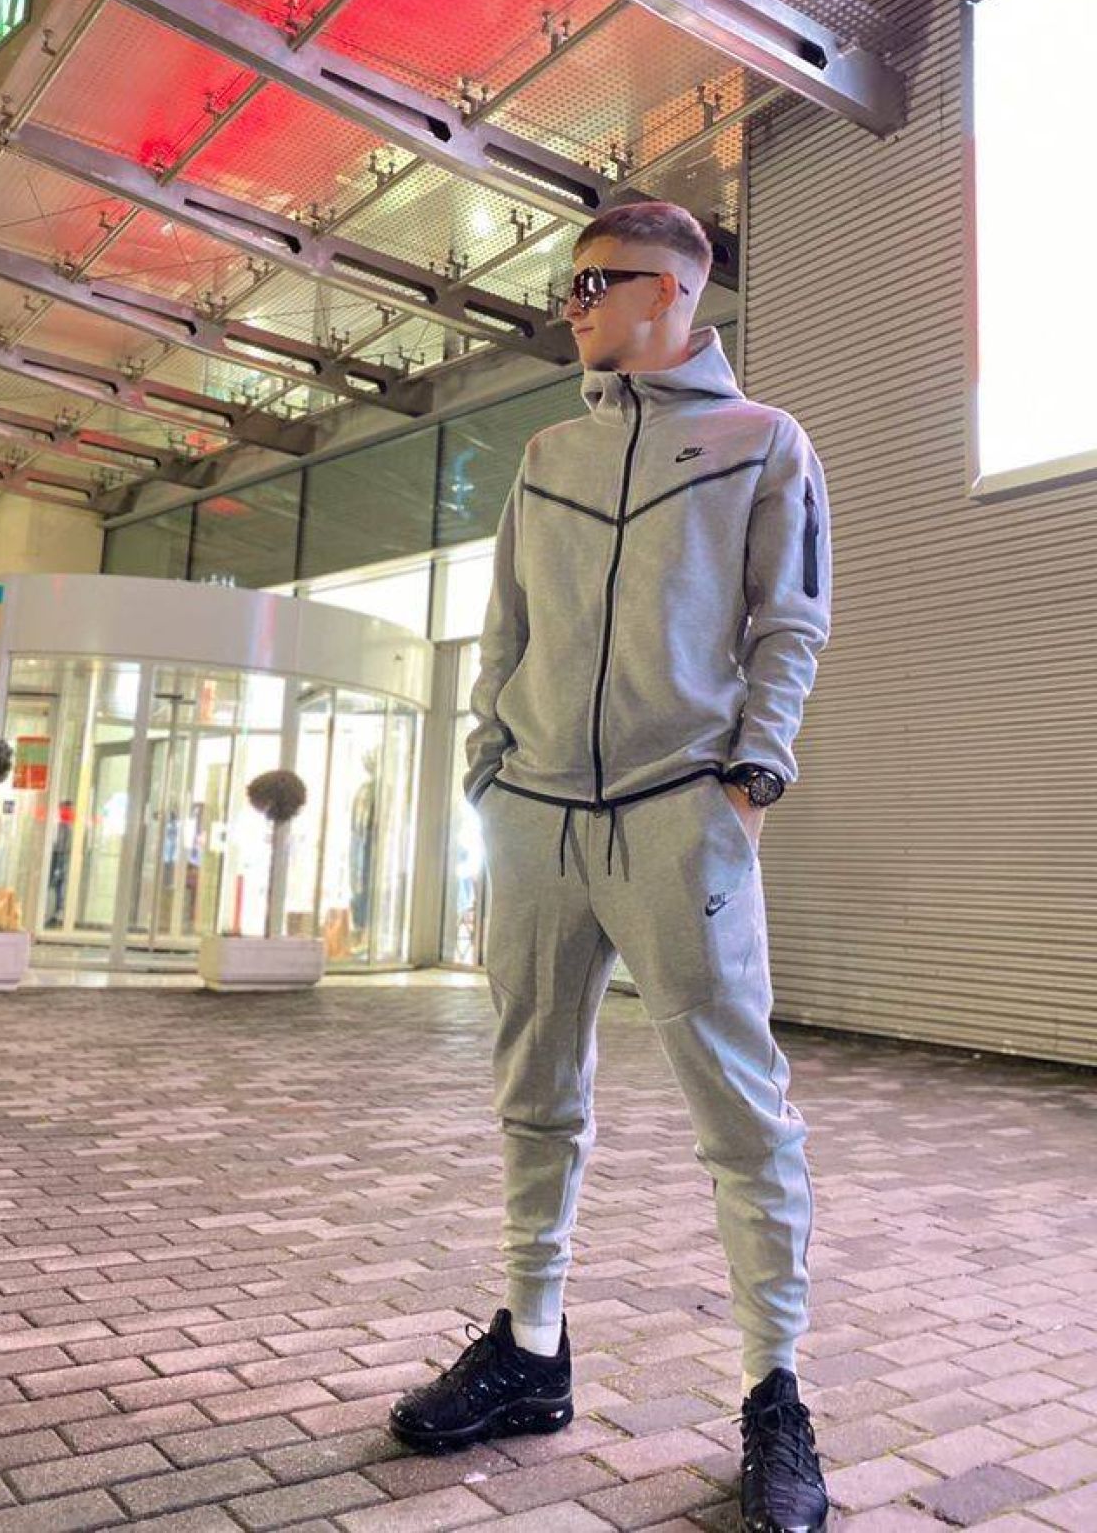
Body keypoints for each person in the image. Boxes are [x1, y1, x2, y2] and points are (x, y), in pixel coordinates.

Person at [389, 202, 832, 1533]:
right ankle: (531, 1347)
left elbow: (790, 622)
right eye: (570, 285)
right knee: (535, 1094)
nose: (572, 306)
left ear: (671, 295)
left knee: (741, 1111)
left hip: (677, 812)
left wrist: (751, 779)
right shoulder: (548, 454)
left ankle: (775, 1392)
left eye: (595, 284)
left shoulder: (763, 443)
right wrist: (487, 770)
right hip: (535, 817)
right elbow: (505, 625)